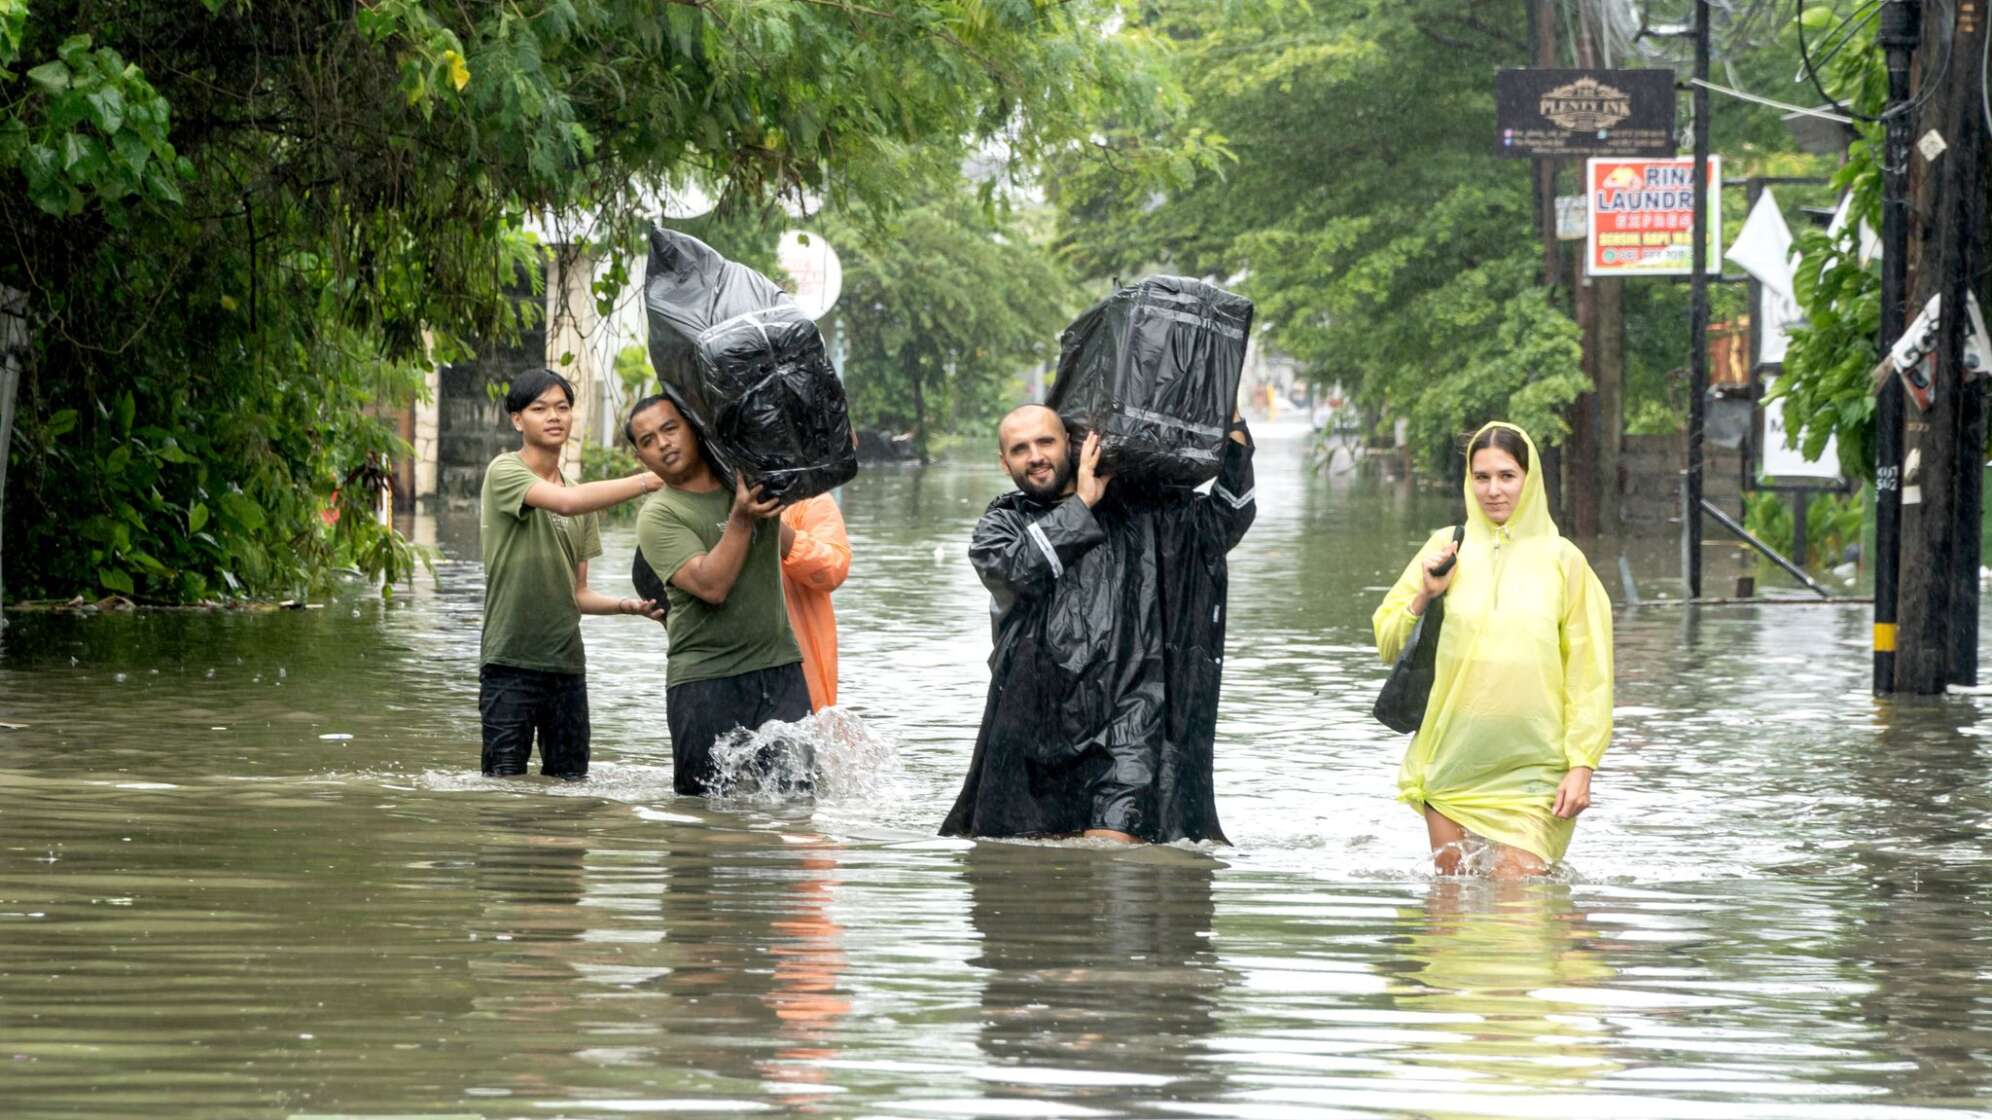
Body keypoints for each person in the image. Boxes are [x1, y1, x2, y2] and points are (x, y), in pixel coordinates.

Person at [939, 403, 1255, 844]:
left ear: (1070, 443)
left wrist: (1234, 427)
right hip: (1037, 726)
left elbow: (1225, 519)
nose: (1035, 456)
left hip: (1131, 718)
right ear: (1004, 461)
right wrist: (1082, 504)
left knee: (1113, 856)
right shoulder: (1002, 523)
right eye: (1020, 448)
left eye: (1045, 442)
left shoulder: (1142, 509)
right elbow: (1015, 570)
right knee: (1032, 870)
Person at [1371, 422, 1613, 879]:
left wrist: (1583, 764)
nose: (1493, 490)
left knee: (1516, 916)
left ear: (1530, 479)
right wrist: (1425, 593)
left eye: (1506, 476)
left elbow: (1590, 674)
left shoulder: (1565, 562)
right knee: (1448, 919)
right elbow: (1386, 638)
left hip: (1535, 775)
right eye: (1481, 477)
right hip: (1451, 765)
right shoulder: (1446, 547)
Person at [478, 368, 666, 780]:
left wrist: (626, 606)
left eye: (562, 407)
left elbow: (578, 593)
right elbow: (565, 503)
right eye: (540, 408)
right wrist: (649, 480)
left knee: (570, 787)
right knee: (501, 787)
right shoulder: (505, 473)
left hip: (565, 666)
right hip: (509, 660)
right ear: (517, 420)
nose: (554, 416)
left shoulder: (581, 497)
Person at [625, 394, 810, 795]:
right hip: (705, 682)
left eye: (670, 428)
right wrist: (741, 517)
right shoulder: (658, 515)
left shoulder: (748, 480)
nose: (663, 443)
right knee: (701, 821)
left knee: (796, 808)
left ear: (693, 426)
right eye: (648, 440)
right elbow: (712, 587)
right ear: (642, 459)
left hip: (779, 670)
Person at [779, 494, 852, 711]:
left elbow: (832, 569)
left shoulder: (809, 500)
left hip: (801, 677)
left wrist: (771, 525)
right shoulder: (694, 496)